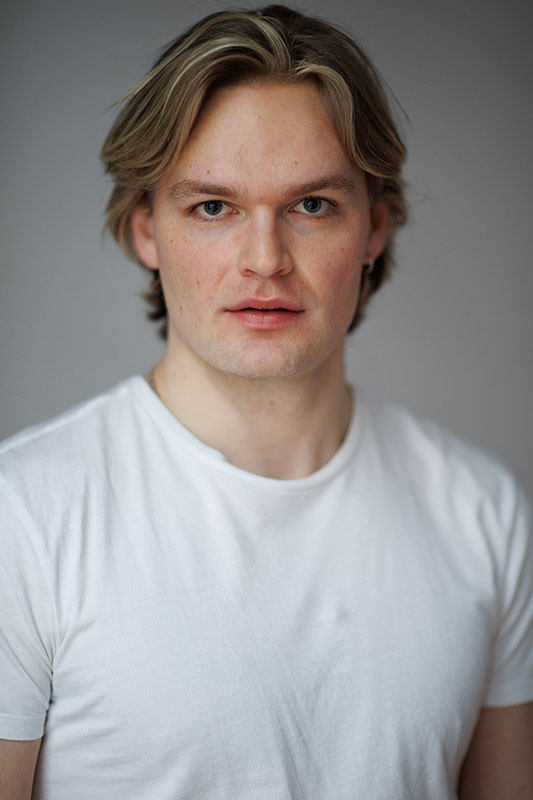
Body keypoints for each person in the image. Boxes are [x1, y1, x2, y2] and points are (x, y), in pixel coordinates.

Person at [1, 5, 531, 798]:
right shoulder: (22, 519)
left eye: (311, 205)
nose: (264, 260)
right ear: (145, 230)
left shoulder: (481, 510)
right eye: (212, 207)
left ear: (375, 227)